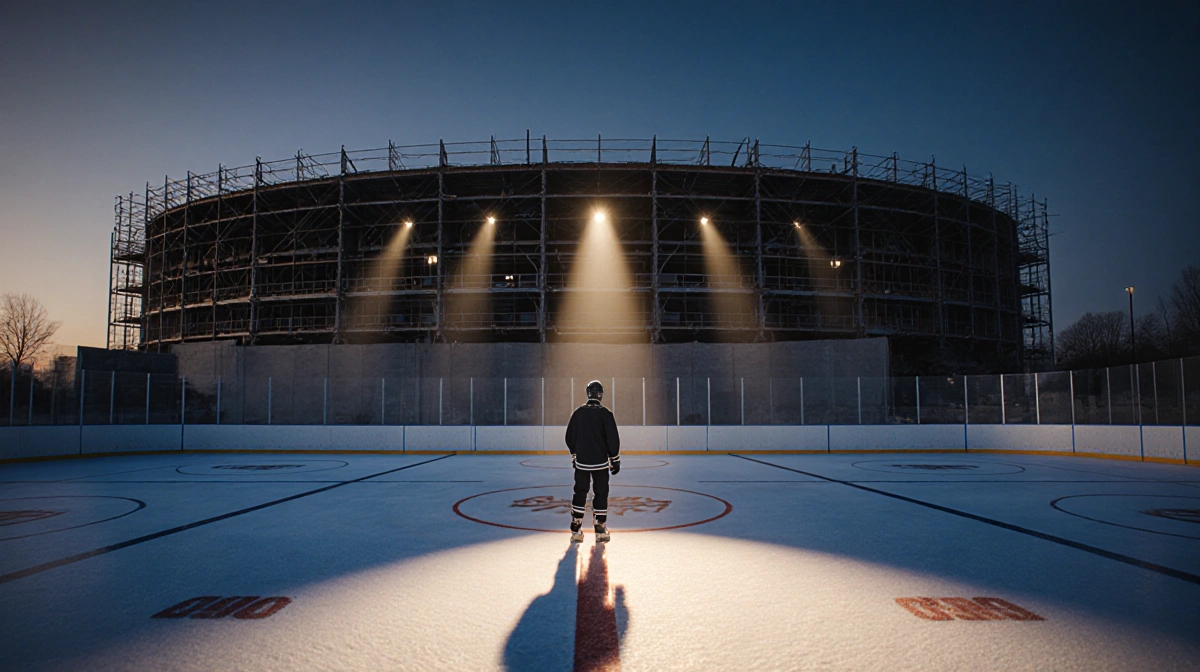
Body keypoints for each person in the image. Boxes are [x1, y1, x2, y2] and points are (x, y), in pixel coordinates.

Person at [565, 380, 621, 543]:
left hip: (582, 462)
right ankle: (600, 528)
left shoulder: (578, 413)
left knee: (580, 492)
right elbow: (613, 439)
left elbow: (569, 437)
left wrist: (575, 454)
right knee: (601, 493)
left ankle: (576, 528)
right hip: (600, 463)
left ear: (588, 393)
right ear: (601, 394)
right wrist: (615, 459)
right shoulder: (605, 414)